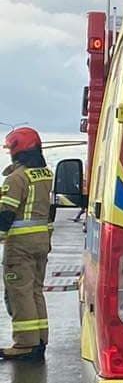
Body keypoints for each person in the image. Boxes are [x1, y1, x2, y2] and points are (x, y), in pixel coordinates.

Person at [0, 127, 54, 361]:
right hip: (41, 242)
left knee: (19, 292)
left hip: (20, 246)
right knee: (35, 291)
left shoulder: (17, 179)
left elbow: (6, 214)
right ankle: (40, 339)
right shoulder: (45, 175)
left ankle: (24, 344)